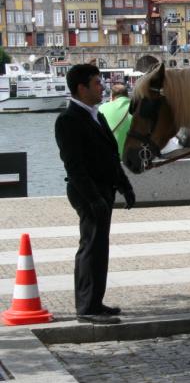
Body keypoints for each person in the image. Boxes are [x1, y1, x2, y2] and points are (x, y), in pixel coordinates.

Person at [54, 63, 135, 324]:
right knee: (90, 246)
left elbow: (111, 155)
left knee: (100, 247)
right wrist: (93, 198)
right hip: (87, 191)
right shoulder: (68, 120)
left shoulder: (96, 115)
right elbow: (74, 166)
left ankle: (96, 301)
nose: (102, 87)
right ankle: (87, 306)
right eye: (97, 83)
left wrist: (125, 185)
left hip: (104, 189)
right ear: (82, 88)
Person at [98, 83, 131, 157]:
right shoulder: (137, 108)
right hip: (132, 157)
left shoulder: (101, 108)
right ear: (127, 95)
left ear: (112, 96)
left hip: (110, 156)